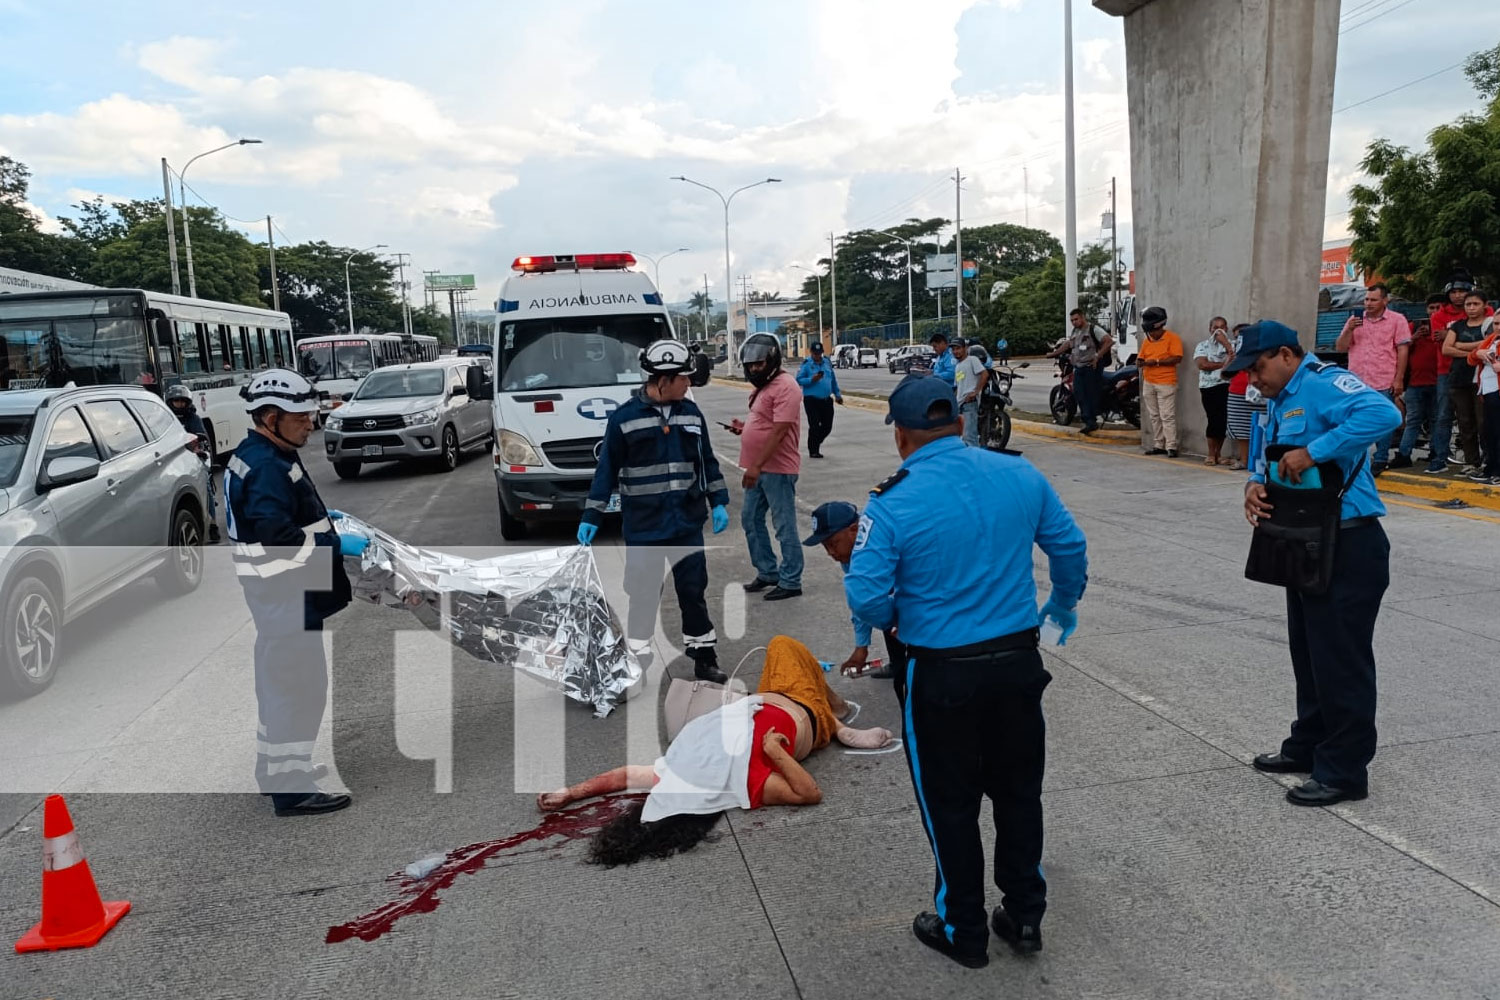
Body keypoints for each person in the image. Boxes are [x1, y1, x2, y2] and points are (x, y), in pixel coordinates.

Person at [844, 375, 1088, 968]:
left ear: (901, 437)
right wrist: (1059, 607)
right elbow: (1070, 549)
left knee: (950, 805)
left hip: (942, 675)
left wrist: (898, 618)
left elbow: (866, 594)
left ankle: (964, 929)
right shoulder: (1020, 475)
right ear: (959, 423)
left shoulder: (893, 500)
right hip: (1017, 665)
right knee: (1018, 793)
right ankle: (1025, 915)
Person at [1234, 321, 1402, 808]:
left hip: (1350, 544)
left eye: (1257, 367)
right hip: (1305, 541)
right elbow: (1265, 456)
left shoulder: (1324, 383)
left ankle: (1345, 771)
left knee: (1341, 662)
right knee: (1308, 656)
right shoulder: (1276, 398)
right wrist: (1252, 485)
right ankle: (1308, 746)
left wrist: (1315, 451)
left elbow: (1382, 413)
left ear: (1286, 354)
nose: (1252, 379)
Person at [535, 636, 892, 865]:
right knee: (789, 647)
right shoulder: (745, 783)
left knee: (782, 652)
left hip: (760, 700)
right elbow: (809, 793)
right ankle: (838, 725)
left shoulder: (684, 770)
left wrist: (570, 792)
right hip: (806, 715)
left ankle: (837, 713)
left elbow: (624, 777)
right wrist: (775, 751)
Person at [224, 369, 364, 818]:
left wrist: (324, 517)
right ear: (269, 416)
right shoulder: (265, 465)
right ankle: (291, 788)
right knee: (298, 688)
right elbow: (277, 536)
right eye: (301, 417)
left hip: (277, 595)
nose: (311, 423)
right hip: (285, 592)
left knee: (278, 684)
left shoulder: (264, 452)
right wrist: (335, 543)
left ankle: (279, 769)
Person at [578, 339, 732, 683]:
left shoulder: (691, 414)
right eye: (684, 378)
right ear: (663, 379)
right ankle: (637, 661)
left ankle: (704, 658)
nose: (688, 383)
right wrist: (592, 515)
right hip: (644, 527)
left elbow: (706, 462)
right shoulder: (624, 419)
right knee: (643, 595)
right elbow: (606, 472)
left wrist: (717, 500)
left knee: (693, 593)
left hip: (686, 524)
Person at [801, 500, 905, 696]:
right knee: (886, 617)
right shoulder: (851, 556)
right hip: (894, 607)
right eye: (825, 547)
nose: (831, 553)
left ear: (855, 530)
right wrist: (861, 647)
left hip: (922, 605)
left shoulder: (881, 549)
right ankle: (899, 663)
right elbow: (861, 604)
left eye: (833, 544)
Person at [729, 333, 803, 601]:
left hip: (776, 469)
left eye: (758, 364)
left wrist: (756, 466)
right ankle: (768, 572)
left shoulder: (787, 387)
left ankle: (791, 579)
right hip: (758, 468)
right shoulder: (766, 387)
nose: (753, 369)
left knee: (784, 525)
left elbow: (780, 431)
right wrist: (744, 428)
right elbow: (765, 423)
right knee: (750, 519)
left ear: (772, 361)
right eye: (749, 366)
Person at [1334, 283, 1411, 474]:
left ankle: (1381, 458)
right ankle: (1356, 458)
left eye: (1373, 300)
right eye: (1367, 299)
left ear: (1385, 300)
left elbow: (1403, 350)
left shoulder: (1396, 320)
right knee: (1354, 420)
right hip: (1356, 382)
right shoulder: (1355, 320)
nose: (1368, 303)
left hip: (1383, 379)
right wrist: (1349, 330)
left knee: (1383, 420)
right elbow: (1341, 348)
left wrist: (1399, 378)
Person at [1442, 289, 1494, 476]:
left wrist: (1461, 346)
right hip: (1459, 378)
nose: (1471, 308)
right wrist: (1473, 354)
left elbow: (1489, 344)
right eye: (1468, 304)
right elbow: (1446, 349)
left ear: (1485, 305)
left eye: (1475, 304)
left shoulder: (1490, 325)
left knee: (1484, 423)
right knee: (1465, 423)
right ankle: (1471, 461)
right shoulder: (1457, 325)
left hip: (1483, 380)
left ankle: (1489, 461)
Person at [165, 385, 222, 543]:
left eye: (183, 401)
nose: (180, 404)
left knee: (207, 488)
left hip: (193, 459)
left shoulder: (193, 418)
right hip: (173, 461)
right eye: (176, 401)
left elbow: (201, 438)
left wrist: (199, 451)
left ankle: (213, 525)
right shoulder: (165, 419)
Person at [1391, 319, 1442, 470]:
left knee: (1435, 420)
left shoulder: (1442, 328)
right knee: (1413, 420)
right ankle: (1404, 455)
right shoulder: (1413, 327)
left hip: (1437, 382)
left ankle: (1436, 452)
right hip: (1415, 383)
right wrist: (1414, 336)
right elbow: (1400, 348)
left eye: (1437, 308)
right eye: (1431, 308)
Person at [1049, 309, 1111, 434]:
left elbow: (1108, 341)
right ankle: (1088, 421)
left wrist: (1098, 356)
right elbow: (1068, 344)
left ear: (1083, 317)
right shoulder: (1075, 331)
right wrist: (1054, 353)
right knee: (1079, 394)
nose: (1074, 322)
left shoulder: (1093, 329)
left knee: (1090, 394)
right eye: (1072, 320)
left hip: (1091, 367)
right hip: (1079, 367)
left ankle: (1091, 421)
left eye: (1076, 319)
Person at [1137, 306, 1183, 457]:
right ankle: (1159, 444)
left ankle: (1171, 446)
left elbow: (1177, 358)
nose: (1151, 334)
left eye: (1153, 331)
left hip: (1166, 382)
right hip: (1149, 381)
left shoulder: (1172, 338)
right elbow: (1142, 356)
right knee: (1154, 415)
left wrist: (1156, 362)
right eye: (1149, 332)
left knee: (1167, 415)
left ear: (1160, 326)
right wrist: (1139, 361)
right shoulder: (1147, 340)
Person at [1462, 323, 1500, 484]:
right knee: (1489, 432)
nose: (1498, 327)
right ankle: (1490, 469)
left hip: (1496, 390)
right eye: (1496, 323)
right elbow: (1471, 359)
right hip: (1487, 390)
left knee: (1497, 433)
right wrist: (1479, 352)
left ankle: (1497, 472)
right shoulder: (1492, 338)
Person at [1194, 316, 1234, 465]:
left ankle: (1218, 453)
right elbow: (1202, 364)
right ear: (1209, 329)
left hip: (1226, 386)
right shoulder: (1202, 346)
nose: (1218, 330)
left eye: (1222, 327)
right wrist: (1223, 364)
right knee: (1213, 419)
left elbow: (1234, 360)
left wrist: (1227, 346)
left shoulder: (1231, 345)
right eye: (1215, 327)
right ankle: (1211, 453)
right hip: (1209, 387)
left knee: (1223, 420)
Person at [794, 341, 843, 459]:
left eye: (819, 353)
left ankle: (816, 441)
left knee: (827, 426)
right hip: (811, 400)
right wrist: (812, 379)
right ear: (811, 352)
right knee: (814, 426)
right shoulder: (806, 364)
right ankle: (813, 450)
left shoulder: (826, 362)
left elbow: (833, 380)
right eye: (815, 354)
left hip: (826, 399)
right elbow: (798, 380)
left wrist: (837, 394)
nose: (817, 356)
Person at [951, 338, 989, 447]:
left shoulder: (972, 360)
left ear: (965, 348)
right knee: (960, 437)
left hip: (970, 404)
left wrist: (976, 391)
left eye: (958, 348)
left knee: (970, 437)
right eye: (953, 349)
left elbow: (984, 374)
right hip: (959, 405)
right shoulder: (958, 366)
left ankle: (975, 461)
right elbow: (959, 386)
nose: (955, 351)